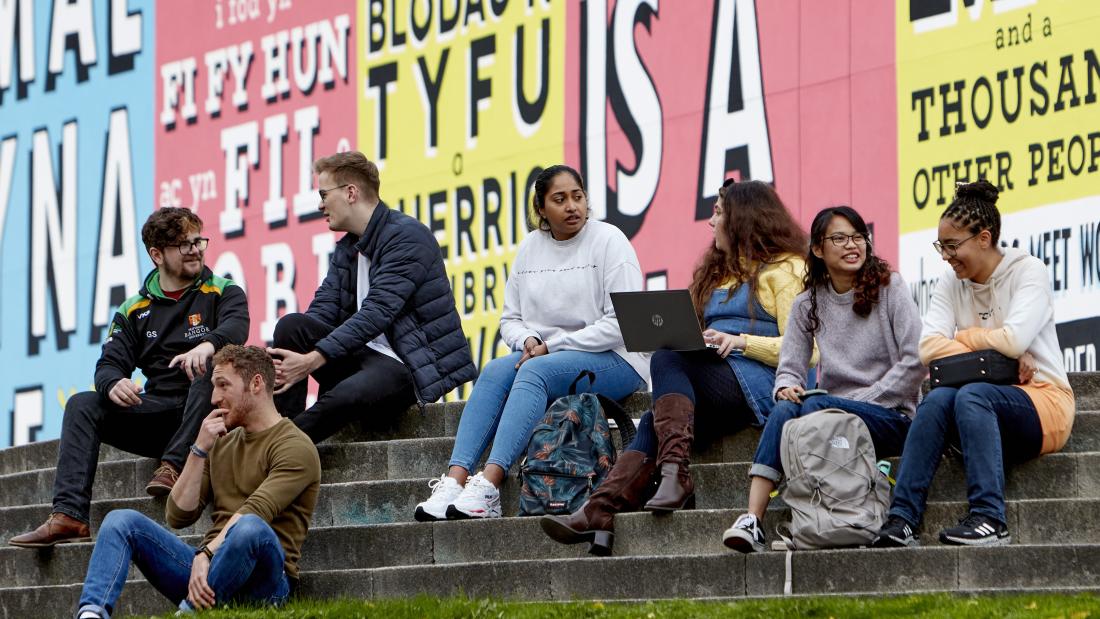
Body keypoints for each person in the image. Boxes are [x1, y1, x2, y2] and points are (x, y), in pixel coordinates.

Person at [541, 179, 812, 555]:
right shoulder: (721, 273)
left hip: (763, 382)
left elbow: (807, 350)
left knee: (668, 357)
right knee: (657, 415)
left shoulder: (786, 269)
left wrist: (743, 342)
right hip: (720, 380)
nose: (710, 222)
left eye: (717, 213)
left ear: (742, 219)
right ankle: (601, 510)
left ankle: (673, 476)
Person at [413, 164, 649, 521]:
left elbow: (622, 325)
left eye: (578, 197)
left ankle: (490, 485)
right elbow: (510, 319)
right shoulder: (530, 249)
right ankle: (454, 481)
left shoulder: (609, 240)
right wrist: (530, 338)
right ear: (541, 209)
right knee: (494, 370)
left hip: (618, 358)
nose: (572, 206)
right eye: (560, 199)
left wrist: (552, 347)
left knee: (536, 371)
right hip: (548, 356)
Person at [9, 208, 249, 548]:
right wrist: (113, 383)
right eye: (184, 244)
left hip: (211, 418)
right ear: (157, 255)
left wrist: (208, 345)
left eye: (198, 241)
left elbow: (237, 329)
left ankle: (174, 466)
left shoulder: (223, 290)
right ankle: (69, 515)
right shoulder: (133, 309)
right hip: (160, 415)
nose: (196, 249)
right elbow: (108, 364)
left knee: (212, 368)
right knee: (82, 404)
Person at [874, 180, 1075, 547]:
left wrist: (964, 338)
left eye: (952, 246)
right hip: (980, 411)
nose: (946, 256)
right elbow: (927, 349)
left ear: (983, 238)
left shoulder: (1028, 271)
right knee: (936, 400)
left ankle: (989, 519)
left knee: (971, 395)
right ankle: (902, 518)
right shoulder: (950, 283)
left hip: (1044, 403)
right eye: (941, 246)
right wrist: (998, 353)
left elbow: (1014, 339)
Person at [722, 206, 924, 552]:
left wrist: (857, 403)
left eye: (858, 237)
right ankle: (752, 519)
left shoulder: (891, 287)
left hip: (890, 417)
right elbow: (790, 366)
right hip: (829, 420)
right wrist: (785, 385)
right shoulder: (807, 302)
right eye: (840, 238)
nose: (852, 245)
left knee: (814, 403)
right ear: (818, 249)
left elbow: (916, 361)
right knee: (786, 407)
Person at [72, 345, 321, 619]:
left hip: (264, 585)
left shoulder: (295, 446)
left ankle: (189, 612)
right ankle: (91, 614)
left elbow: (256, 511)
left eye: (223, 385)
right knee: (121, 521)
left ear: (257, 384)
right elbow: (178, 515)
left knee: (250, 528)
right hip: (205, 575)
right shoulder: (221, 441)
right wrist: (199, 449)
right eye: (214, 386)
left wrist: (205, 555)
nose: (214, 398)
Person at [267, 151, 476, 442]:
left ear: (350, 192)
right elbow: (322, 313)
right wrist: (288, 359)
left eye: (324, 194)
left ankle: (276, 445)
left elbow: (377, 312)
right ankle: (279, 426)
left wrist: (313, 359)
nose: (320, 204)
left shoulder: (407, 236)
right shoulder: (348, 248)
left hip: (404, 370)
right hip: (364, 360)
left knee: (346, 394)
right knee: (291, 326)